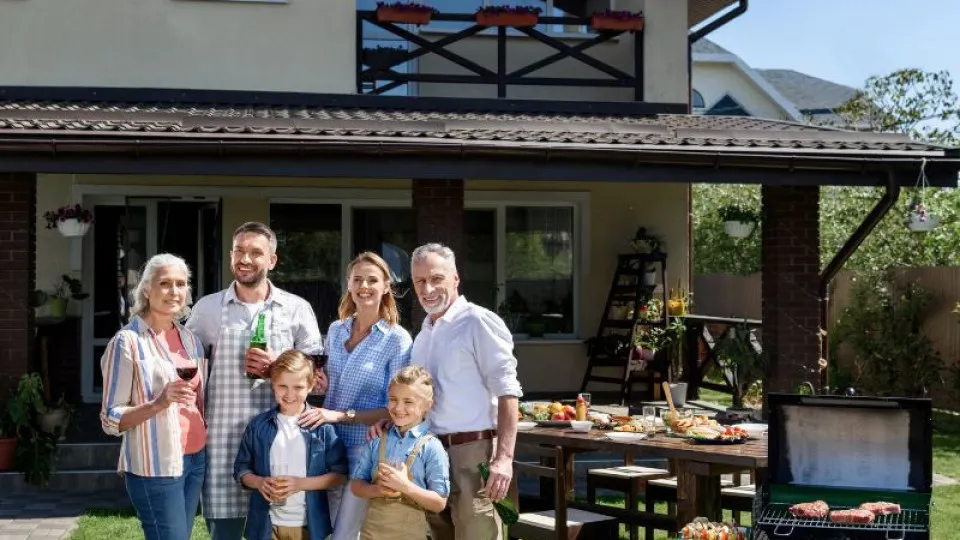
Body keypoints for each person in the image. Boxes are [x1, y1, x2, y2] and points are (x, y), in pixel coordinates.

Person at [372, 243, 522, 540]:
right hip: (430, 454)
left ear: (455, 278)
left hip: (474, 455)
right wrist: (393, 421)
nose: (428, 288)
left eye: (436, 278)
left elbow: (508, 392)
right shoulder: (424, 334)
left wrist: (503, 459)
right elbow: (421, 400)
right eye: (419, 281)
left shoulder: (479, 321)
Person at [187, 221, 324, 540]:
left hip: (282, 444)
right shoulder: (208, 308)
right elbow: (184, 364)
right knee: (226, 533)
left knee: (282, 528)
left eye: (255, 252)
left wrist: (278, 364)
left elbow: (316, 377)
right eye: (238, 251)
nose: (244, 259)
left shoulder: (296, 309)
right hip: (223, 443)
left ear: (272, 260)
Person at [298, 251, 412, 540]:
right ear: (348, 284)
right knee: (325, 526)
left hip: (366, 448)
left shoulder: (397, 339)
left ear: (386, 286)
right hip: (329, 446)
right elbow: (330, 386)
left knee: (346, 531)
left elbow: (396, 408)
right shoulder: (336, 331)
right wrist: (320, 387)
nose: (364, 286)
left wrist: (340, 415)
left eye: (372, 280)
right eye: (358, 279)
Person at [100, 253, 208, 540]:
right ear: (146, 290)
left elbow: (198, 400)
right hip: (156, 466)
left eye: (181, 284)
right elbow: (111, 419)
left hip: (195, 459)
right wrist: (159, 402)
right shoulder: (127, 342)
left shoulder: (190, 339)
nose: (174, 291)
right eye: (165, 283)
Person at [234, 349, 348, 540]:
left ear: (310, 386)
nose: (289, 394)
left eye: (298, 387)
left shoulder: (322, 428)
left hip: (308, 526)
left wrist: (300, 484)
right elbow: (241, 469)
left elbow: (340, 474)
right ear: (273, 385)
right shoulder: (258, 426)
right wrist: (259, 482)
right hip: (266, 525)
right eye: (282, 386)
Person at [351, 366, 450, 540]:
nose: (398, 407)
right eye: (393, 399)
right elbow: (356, 485)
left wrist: (405, 487)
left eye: (408, 402)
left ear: (427, 405)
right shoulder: (377, 439)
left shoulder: (432, 447)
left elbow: (439, 503)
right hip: (371, 534)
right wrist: (378, 490)